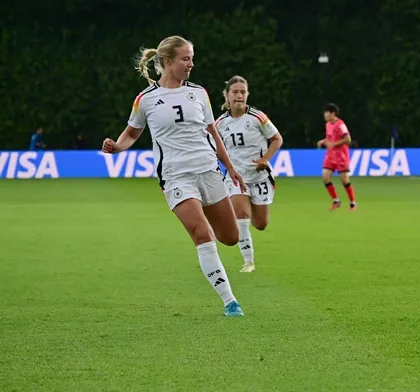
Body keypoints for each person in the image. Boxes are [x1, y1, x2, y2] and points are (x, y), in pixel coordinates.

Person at [102, 35, 247, 317]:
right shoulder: (146, 99)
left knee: (230, 237)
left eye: (192, 58)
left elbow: (213, 133)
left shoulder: (199, 93)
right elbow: (132, 132)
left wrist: (230, 167)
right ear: (168, 61)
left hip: (208, 170)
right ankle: (230, 302)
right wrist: (118, 147)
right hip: (175, 176)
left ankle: (207, 231)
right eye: (186, 59)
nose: (191, 64)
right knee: (202, 234)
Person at [216, 75, 284, 273]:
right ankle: (248, 262)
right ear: (227, 95)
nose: (239, 96)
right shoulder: (219, 123)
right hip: (236, 177)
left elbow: (277, 139)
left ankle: (252, 210)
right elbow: (214, 147)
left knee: (261, 224)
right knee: (241, 215)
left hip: (260, 176)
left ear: (247, 95)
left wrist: (265, 159)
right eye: (235, 92)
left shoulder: (257, 117)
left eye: (243, 92)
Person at [318, 103, 356, 210]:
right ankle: (336, 200)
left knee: (344, 181)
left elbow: (348, 139)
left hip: (341, 156)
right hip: (330, 156)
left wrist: (334, 144)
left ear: (333, 113)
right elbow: (330, 138)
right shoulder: (328, 125)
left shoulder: (341, 125)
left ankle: (352, 203)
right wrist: (323, 141)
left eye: (326, 113)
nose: (325, 116)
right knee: (325, 178)